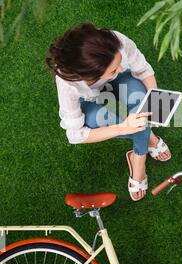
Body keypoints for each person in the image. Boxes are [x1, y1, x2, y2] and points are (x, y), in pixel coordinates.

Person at [46, 22, 171, 201]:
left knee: (139, 102)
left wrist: (155, 102)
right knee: (112, 119)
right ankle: (146, 146)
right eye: (114, 69)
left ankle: (139, 155)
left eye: (119, 62)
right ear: (90, 76)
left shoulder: (115, 40)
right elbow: (76, 135)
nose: (121, 68)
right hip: (91, 100)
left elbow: (143, 71)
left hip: (120, 83)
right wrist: (122, 128)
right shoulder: (69, 85)